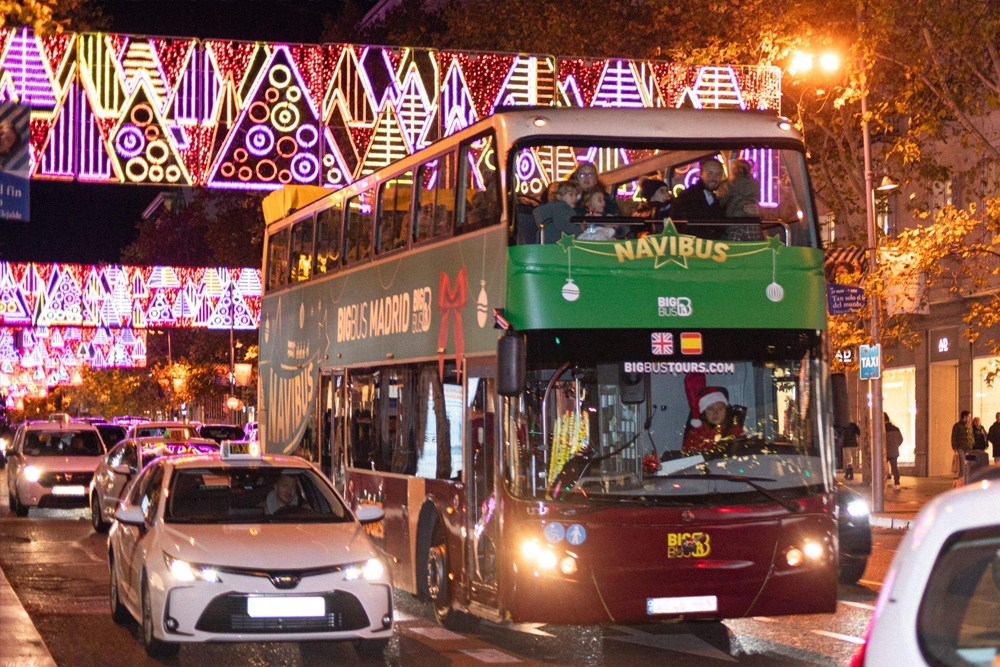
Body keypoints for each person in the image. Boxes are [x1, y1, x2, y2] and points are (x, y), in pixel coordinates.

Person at [681, 373, 745, 452]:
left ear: (726, 410)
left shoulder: (735, 431)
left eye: (720, 409)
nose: (716, 413)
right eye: (710, 409)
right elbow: (687, 457)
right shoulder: (695, 434)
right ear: (704, 413)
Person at [721, 158, 765, 241]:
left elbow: (723, 202)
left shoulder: (729, 184)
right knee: (753, 251)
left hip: (735, 224)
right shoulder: (755, 183)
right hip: (752, 223)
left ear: (734, 170)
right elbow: (757, 199)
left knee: (735, 251)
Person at [951, 411, 974, 478]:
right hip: (960, 446)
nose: (969, 418)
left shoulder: (969, 426)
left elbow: (971, 436)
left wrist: (972, 444)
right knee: (962, 461)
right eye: (969, 416)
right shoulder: (957, 426)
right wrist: (954, 446)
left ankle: (966, 475)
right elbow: (954, 436)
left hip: (968, 447)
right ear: (964, 417)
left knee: (967, 462)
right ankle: (962, 476)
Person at [884, 413, 903, 491]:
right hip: (894, 451)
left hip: (884, 452)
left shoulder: (882, 429)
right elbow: (901, 439)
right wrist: (896, 446)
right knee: (894, 468)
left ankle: (881, 483)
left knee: (881, 468)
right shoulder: (896, 429)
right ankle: (897, 483)